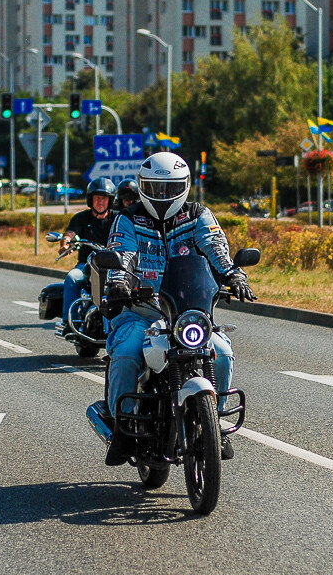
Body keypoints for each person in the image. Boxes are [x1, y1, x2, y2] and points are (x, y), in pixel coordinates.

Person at [99, 152, 256, 466]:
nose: (162, 195)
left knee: (222, 352)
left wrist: (234, 274)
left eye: (169, 188)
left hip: (187, 313)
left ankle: (216, 423)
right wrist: (118, 282)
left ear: (184, 187)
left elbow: (215, 247)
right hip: (141, 310)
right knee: (127, 354)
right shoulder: (128, 218)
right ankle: (122, 427)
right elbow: (122, 252)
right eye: (154, 188)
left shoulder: (198, 215)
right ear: (143, 186)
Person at [56, 178, 117, 334]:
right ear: (91, 199)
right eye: (97, 198)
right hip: (86, 266)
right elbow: (70, 233)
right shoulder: (81, 218)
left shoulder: (118, 218)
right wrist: (65, 243)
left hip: (113, 266)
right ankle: (69, 322)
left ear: (110, 200)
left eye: (104, 198)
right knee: (72, 278)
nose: (100, 202)